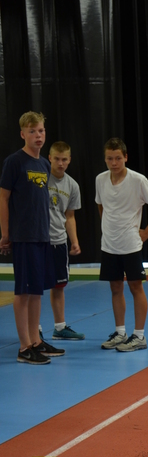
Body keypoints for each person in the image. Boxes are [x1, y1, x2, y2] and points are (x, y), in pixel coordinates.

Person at [0, 111, 65, 364]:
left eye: (41, 131)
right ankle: (24, 347)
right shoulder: (14, 162)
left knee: (37, 291)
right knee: (23, 292)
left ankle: (36, 341)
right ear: (22, 134)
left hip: (41, 235)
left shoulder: (44, 165)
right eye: (32, 131)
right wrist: (6, 233)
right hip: (24, 236)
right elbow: (3, 198)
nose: (38, 135)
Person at [96, 138, 148, 351]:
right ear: (105, 159)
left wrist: (147, 231)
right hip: (109, 245)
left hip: (131, 245)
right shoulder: (100, 179)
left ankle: (139, 336)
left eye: (118, 158)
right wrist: (107, 226)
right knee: (115, 288)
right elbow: (101, 205)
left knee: (136, 287)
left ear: (125, 157)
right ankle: (120, 332)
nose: (114, 163)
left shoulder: (138, 180)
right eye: (110, 158)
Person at [43, 141, 85, 340]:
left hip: (59, 241)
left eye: (64, 159)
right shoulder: (40, 178)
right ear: (49, 158)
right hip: (39, 240)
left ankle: (59, 328)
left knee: (58, 286)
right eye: (57, 159)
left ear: (69, 160)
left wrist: (74, 241)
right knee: (34, 287)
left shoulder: (72, 185)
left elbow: (70, 216)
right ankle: (34, 328)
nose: (60, 163)